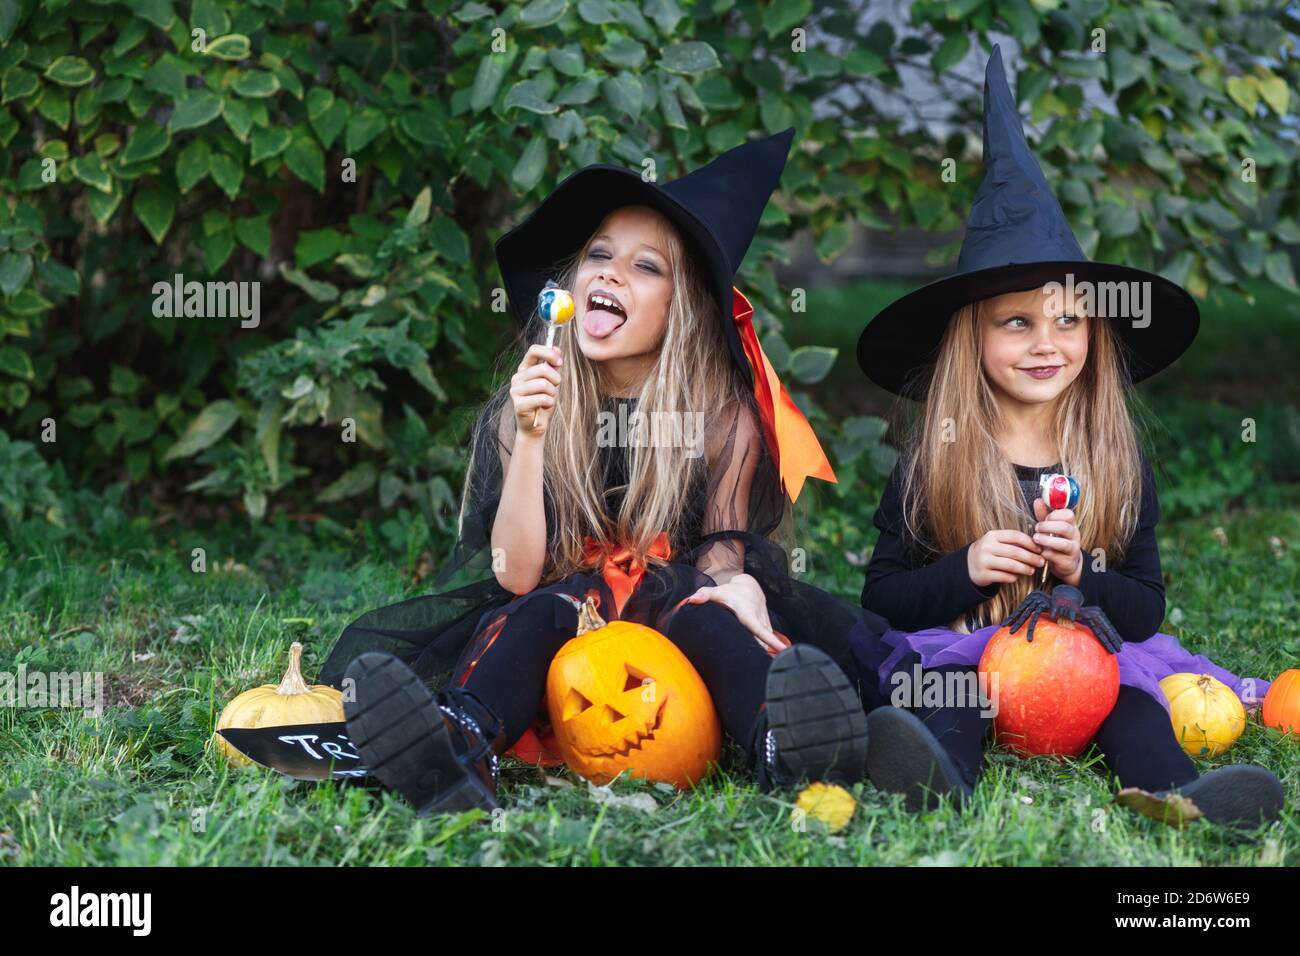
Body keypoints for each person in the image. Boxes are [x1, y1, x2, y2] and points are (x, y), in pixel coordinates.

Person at [321, 129, 890, 813]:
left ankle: (788, 749)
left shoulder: (719, 420)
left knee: (712, 619)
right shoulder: (530, 407)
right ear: (569, 285)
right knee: (530, 617)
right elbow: (516, 573)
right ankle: (455, 747)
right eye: (598, 255)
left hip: (677, 613)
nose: (612, 273)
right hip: (568, 611)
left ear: (684, 310)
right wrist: (530, 438)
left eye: (647, 266)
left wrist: (740, 594)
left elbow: (719, 558)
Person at [851, 46, 1284, 830]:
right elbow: (882, 597)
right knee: (955, 693)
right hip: (973, 652)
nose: (1046, 342)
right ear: (970, 339)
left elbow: (1146, 609)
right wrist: (965, 570)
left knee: (1132, 701)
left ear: (1095, 331)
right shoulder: (935, 458)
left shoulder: (1115, 459)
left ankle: (1181, 796)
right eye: (1017, 321)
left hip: (1087, 659)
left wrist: (1083, 573)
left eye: (1068, 318)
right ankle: (936, 776)